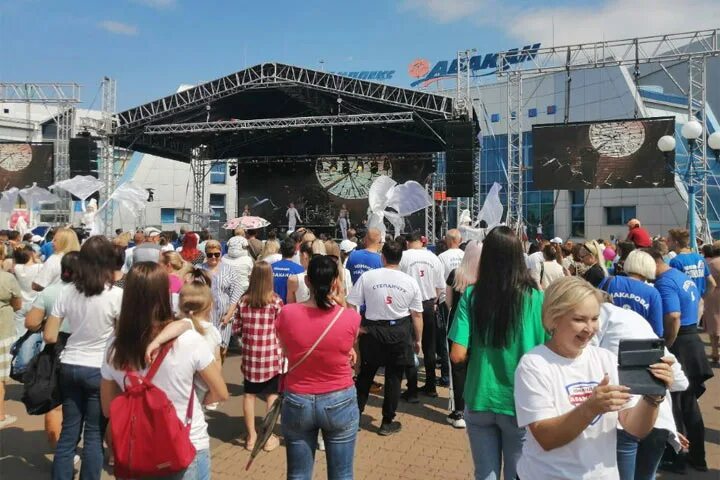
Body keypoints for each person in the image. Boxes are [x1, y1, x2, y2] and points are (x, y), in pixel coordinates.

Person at [513, 276, 674, 480]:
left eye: (595, 318)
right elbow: (546, 437)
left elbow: (634, 428)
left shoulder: (605, 359)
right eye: (579, 319)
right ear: (553, 318)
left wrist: (653, 397)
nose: (590, 328)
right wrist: (591, 407)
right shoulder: (534, 364)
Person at [100, 262, 228, 480]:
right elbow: (221, 392)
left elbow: (107, 408)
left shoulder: (114, 346)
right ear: (165, 295)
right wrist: (198, 399)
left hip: (137, 449)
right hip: (186, 443)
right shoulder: (188, 340)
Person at [448, 226, 547, 480]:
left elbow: (457, 354)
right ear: (519, 255)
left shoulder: (471, 295)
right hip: (521, 401)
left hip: (480, 395)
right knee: (518, 473)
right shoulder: (537, 299)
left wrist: (480, 357)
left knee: (485, 474)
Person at [43, 236, 123, 480]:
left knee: (69, 433)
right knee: (93, 436)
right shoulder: (116, 295)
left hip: (69, 364)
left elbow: (49, 335)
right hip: (99, 369)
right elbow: (121, 337)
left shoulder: (67, 291)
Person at [276, 256, 361, 478]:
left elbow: (286, 351)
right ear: (336, 282)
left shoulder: (287, 313)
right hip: (339, 397)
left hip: (298, 397)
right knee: (342, 474)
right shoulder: (350, 317)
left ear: (307, 281)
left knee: (298, 474)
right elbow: (346, 348)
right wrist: (341, 302)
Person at [591, 301, 689, 480]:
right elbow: (680, 382)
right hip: (659, 422)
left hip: (623, 422)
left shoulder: (600, 323)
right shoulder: (639, 323)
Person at [647, 248, 713, 472]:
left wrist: (667, 342)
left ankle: (680, 458)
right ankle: (697, 456)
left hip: (682, 344)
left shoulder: (665, 282)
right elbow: (707, 287)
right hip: (692, 339)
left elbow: (673, 315)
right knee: (689, 405)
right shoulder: (680, 276)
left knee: (678, 406)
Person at [348, 240, 423, 435]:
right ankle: (387, 421)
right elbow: (417, 315)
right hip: (398, 331)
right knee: (393, 377)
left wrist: (357, 328)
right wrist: (418, 340)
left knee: (366, 373)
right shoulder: (410, 281)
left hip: (372, 331)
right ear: (400, 258)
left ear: (383, 257)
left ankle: (355, 416)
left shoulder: (368, 277)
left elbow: (352, 305)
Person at [25, 252, 80, 447]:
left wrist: (47, 324)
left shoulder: (49, 292)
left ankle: (59, 450)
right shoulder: (90, 292)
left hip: (54, 347)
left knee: (55, 403)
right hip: (85, 349)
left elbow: (31, 322)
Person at [234, 262, 283, 452]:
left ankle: (251, 437)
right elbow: (282, 328)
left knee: (249, 395)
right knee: (272, 395)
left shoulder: (243, 301)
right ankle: (269, 436)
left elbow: (237, 329)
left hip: (250, 357)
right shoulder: (276, 301)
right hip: (270, 356)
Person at [399, 230, 445, 400]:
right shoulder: (434, 258)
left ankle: (412, 389)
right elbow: (440, 286)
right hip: (428, 304)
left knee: (410, 346)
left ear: (407, 242)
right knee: (429, 347)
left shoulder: (404, 257)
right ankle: (431, 385)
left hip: (409, 306)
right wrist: (434, 302)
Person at [444, 240, 482, 429]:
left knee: (458, 370)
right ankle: (473, 406)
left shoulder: (455, 274)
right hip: (480, 327)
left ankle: (459, 411)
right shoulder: (487, 277)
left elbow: (449, 302)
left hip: (457, 326)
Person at [599, 250, 664, 336]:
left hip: (607, 337)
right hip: (637, 343)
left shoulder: (609, 282)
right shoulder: (652, 293)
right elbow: (657, 330)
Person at [201, 240, 241, 363]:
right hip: (205, 316)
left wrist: (229, 314)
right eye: (210, 254)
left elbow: (236, 292)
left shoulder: (229, 270)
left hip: (224, 317)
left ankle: (218, 372)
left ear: (221, 253)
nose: (213, 257)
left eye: (216, 254)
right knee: (207, 349)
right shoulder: (199, 270)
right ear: (206, 254)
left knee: (222, 349)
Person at [0, 249, 21, 429]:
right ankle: (0, 414)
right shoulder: (7, 278)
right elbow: (17, 303)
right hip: (3, 328)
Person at [667, 228, 716, 299]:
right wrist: (702, 299)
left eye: (669, 240)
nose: (667, 243)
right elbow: (712, 284)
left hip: (684, 305)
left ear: (676, 242)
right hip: (698, 305)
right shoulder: (700, 258)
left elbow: (674, 287)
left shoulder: (676, 261)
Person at [12, 244, 43, 336]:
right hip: (36, 303)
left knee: (19, 332)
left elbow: (15, 262)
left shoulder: (17, 268)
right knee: (35, 333)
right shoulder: (39, 267)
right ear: (31, 254)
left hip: (20, 303)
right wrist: (37, 259)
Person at [287, 239, 326, 304]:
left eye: (300, 256)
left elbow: (291, 306)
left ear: (304, 256)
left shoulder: (294, 280)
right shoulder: (327, 276)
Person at [272, 237, 306, 303]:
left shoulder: (270, 268)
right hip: (290, 307)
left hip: (273, 306)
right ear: (295, 252)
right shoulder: (300, 269)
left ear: (281, 251)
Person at [703, 240, 720, 362]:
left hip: (713, 294)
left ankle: (715, 351)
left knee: (713, 323)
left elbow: (708, 281)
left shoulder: (710, 264)